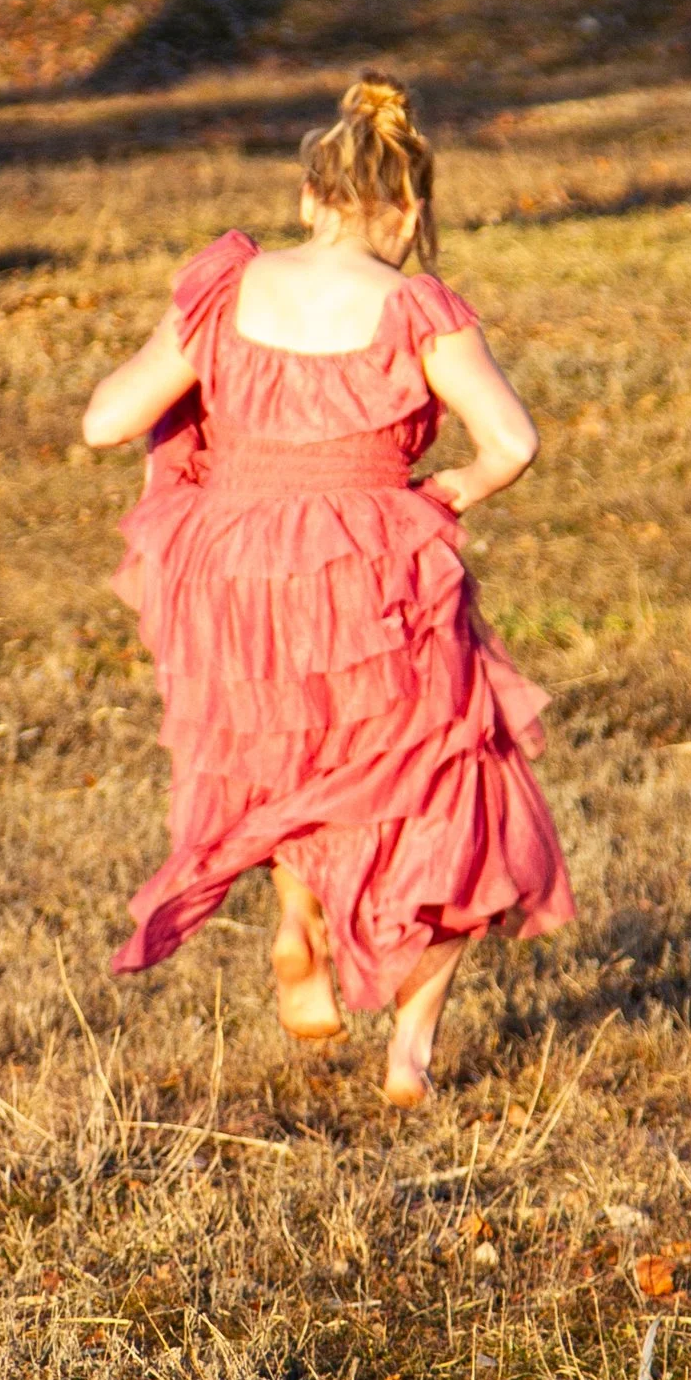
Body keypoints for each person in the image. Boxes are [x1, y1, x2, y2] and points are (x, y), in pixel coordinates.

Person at [80, 73, 573, 1108]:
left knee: (287, 764)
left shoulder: (225, 289)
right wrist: (453, 488)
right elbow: (514, 441)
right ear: (409, 212)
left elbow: (106, 422)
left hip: (231, 572)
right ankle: (409, 1056)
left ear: (309, 199)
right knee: (444, 783)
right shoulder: (417, 307)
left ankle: (298, 934)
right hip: (372, 568)